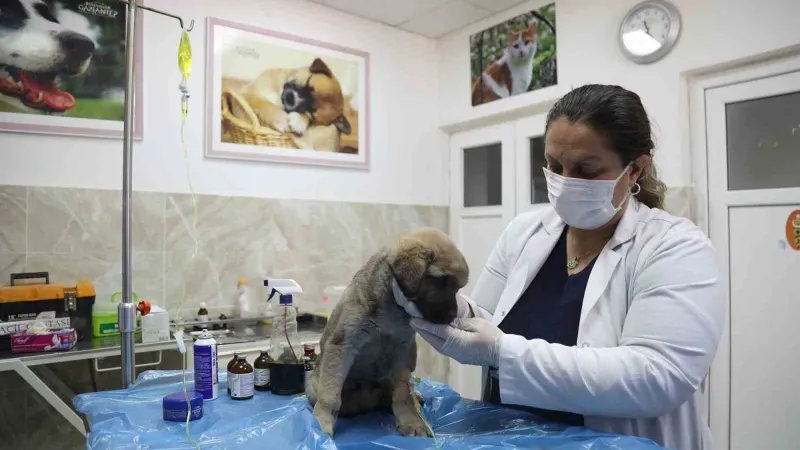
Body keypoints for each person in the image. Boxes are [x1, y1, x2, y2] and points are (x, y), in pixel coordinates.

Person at [392, 84, 725, 450]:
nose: (566, 181)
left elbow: (657, 378)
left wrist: (502, 352)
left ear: (635, 170)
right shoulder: (525, 232)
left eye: (586, 169)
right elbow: (486, 315)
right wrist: (444, 305)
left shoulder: (674, 246)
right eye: (554, 165)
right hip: (509, 439)